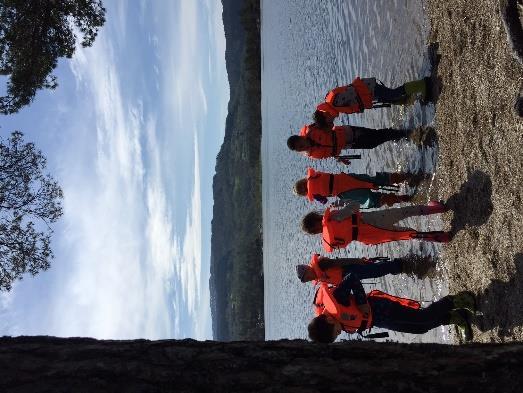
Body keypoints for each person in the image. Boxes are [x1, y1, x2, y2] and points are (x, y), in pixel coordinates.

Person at [308, 273, 476, 343]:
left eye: (336, 331)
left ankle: (457, 300)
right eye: (337, 335)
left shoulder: (337, 298)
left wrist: (361, 302)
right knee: (420, 329)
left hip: (381, 308)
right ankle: (454, 318)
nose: (339, 333)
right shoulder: (335, 320)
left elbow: (352, 278)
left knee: (422, 318)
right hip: (379, 321)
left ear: (329, 319)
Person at [301, 200, 451, 252]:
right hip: (371, 221)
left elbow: (346, 241)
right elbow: (355, 205)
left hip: (370, 238)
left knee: (408, 234)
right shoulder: (332, 217)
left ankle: (442, 237)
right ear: (316, 217)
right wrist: (342, 203)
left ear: (315, 232)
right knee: (405, 212)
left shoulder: (331, 241)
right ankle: (437, 208)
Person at [293, 167, 422, 208]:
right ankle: (410, 176)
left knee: (375, 200)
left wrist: (334, 205)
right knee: (376, 180)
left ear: (305, 193)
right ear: (305, 180)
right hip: (346, 178)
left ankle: (404, 199)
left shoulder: (314, 195)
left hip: (346, 193)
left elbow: (324, 200)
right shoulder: (314, 176)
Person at [315, 76, 430, 120]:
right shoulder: (334, 105)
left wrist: (362, 104)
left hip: (369, 89)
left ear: (326, 114)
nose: (331, 121)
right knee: (391, 99)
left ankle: (422, 84)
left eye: (328, 120)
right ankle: (414, 97)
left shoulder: (335, 103)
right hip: (369, 93)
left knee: (393, 94)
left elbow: (352, 93)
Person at [286, 123, 408, 160]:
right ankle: (397, 134)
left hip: (348, 132)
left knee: (375, 134)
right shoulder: (313, 155)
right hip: (348, 145)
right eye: (300, 149)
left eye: (301, 145)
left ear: (301, 137)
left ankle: (400, 133)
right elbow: (330, 154)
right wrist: (340, 159)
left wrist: (321, 126)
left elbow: (329, 122)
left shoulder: (313, 130)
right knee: (372, 144)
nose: (303, 148)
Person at [295, 253, 436, 285]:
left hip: (352, 269)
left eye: (306, 277)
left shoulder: (321, 265)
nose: (308, 280)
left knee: (377, 270)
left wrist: (358, 260)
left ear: (307, 269)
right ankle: (404, 265)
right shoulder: (319, 278)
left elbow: (340, 261)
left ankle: (402, 265)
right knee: (377, 271)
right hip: (352, 276)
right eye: (306, 280)